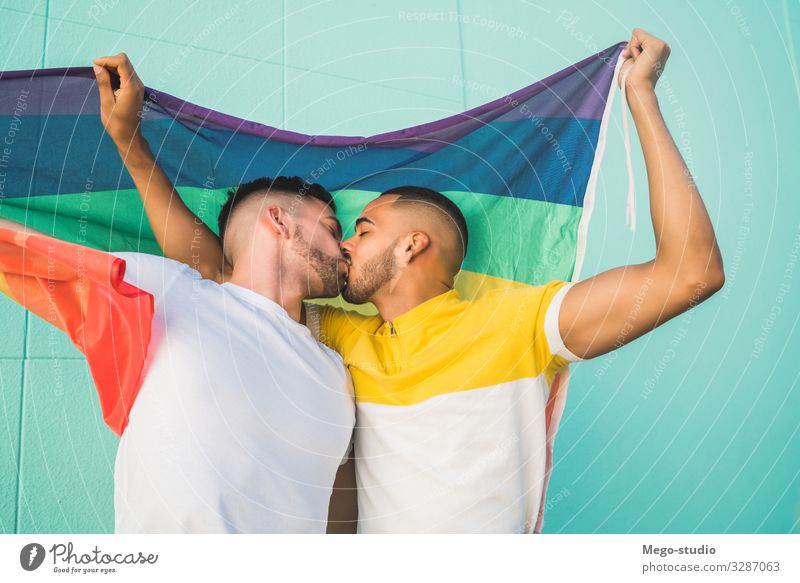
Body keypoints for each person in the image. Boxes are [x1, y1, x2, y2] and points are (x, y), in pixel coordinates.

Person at [95, 28, 724, 533]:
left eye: (361, 228)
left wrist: (640, 93)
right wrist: (128, 139)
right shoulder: (338, 340)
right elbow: (222, 272)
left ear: (413, 244)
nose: (343, 244)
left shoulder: (525, 321)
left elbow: (692, 272)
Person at [1, 178, 357, 531]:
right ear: (280, 221)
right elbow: (21, 251)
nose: (345, 248)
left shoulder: (336, 374)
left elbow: (337, 521)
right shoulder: (168, 289)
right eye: (331, 229)